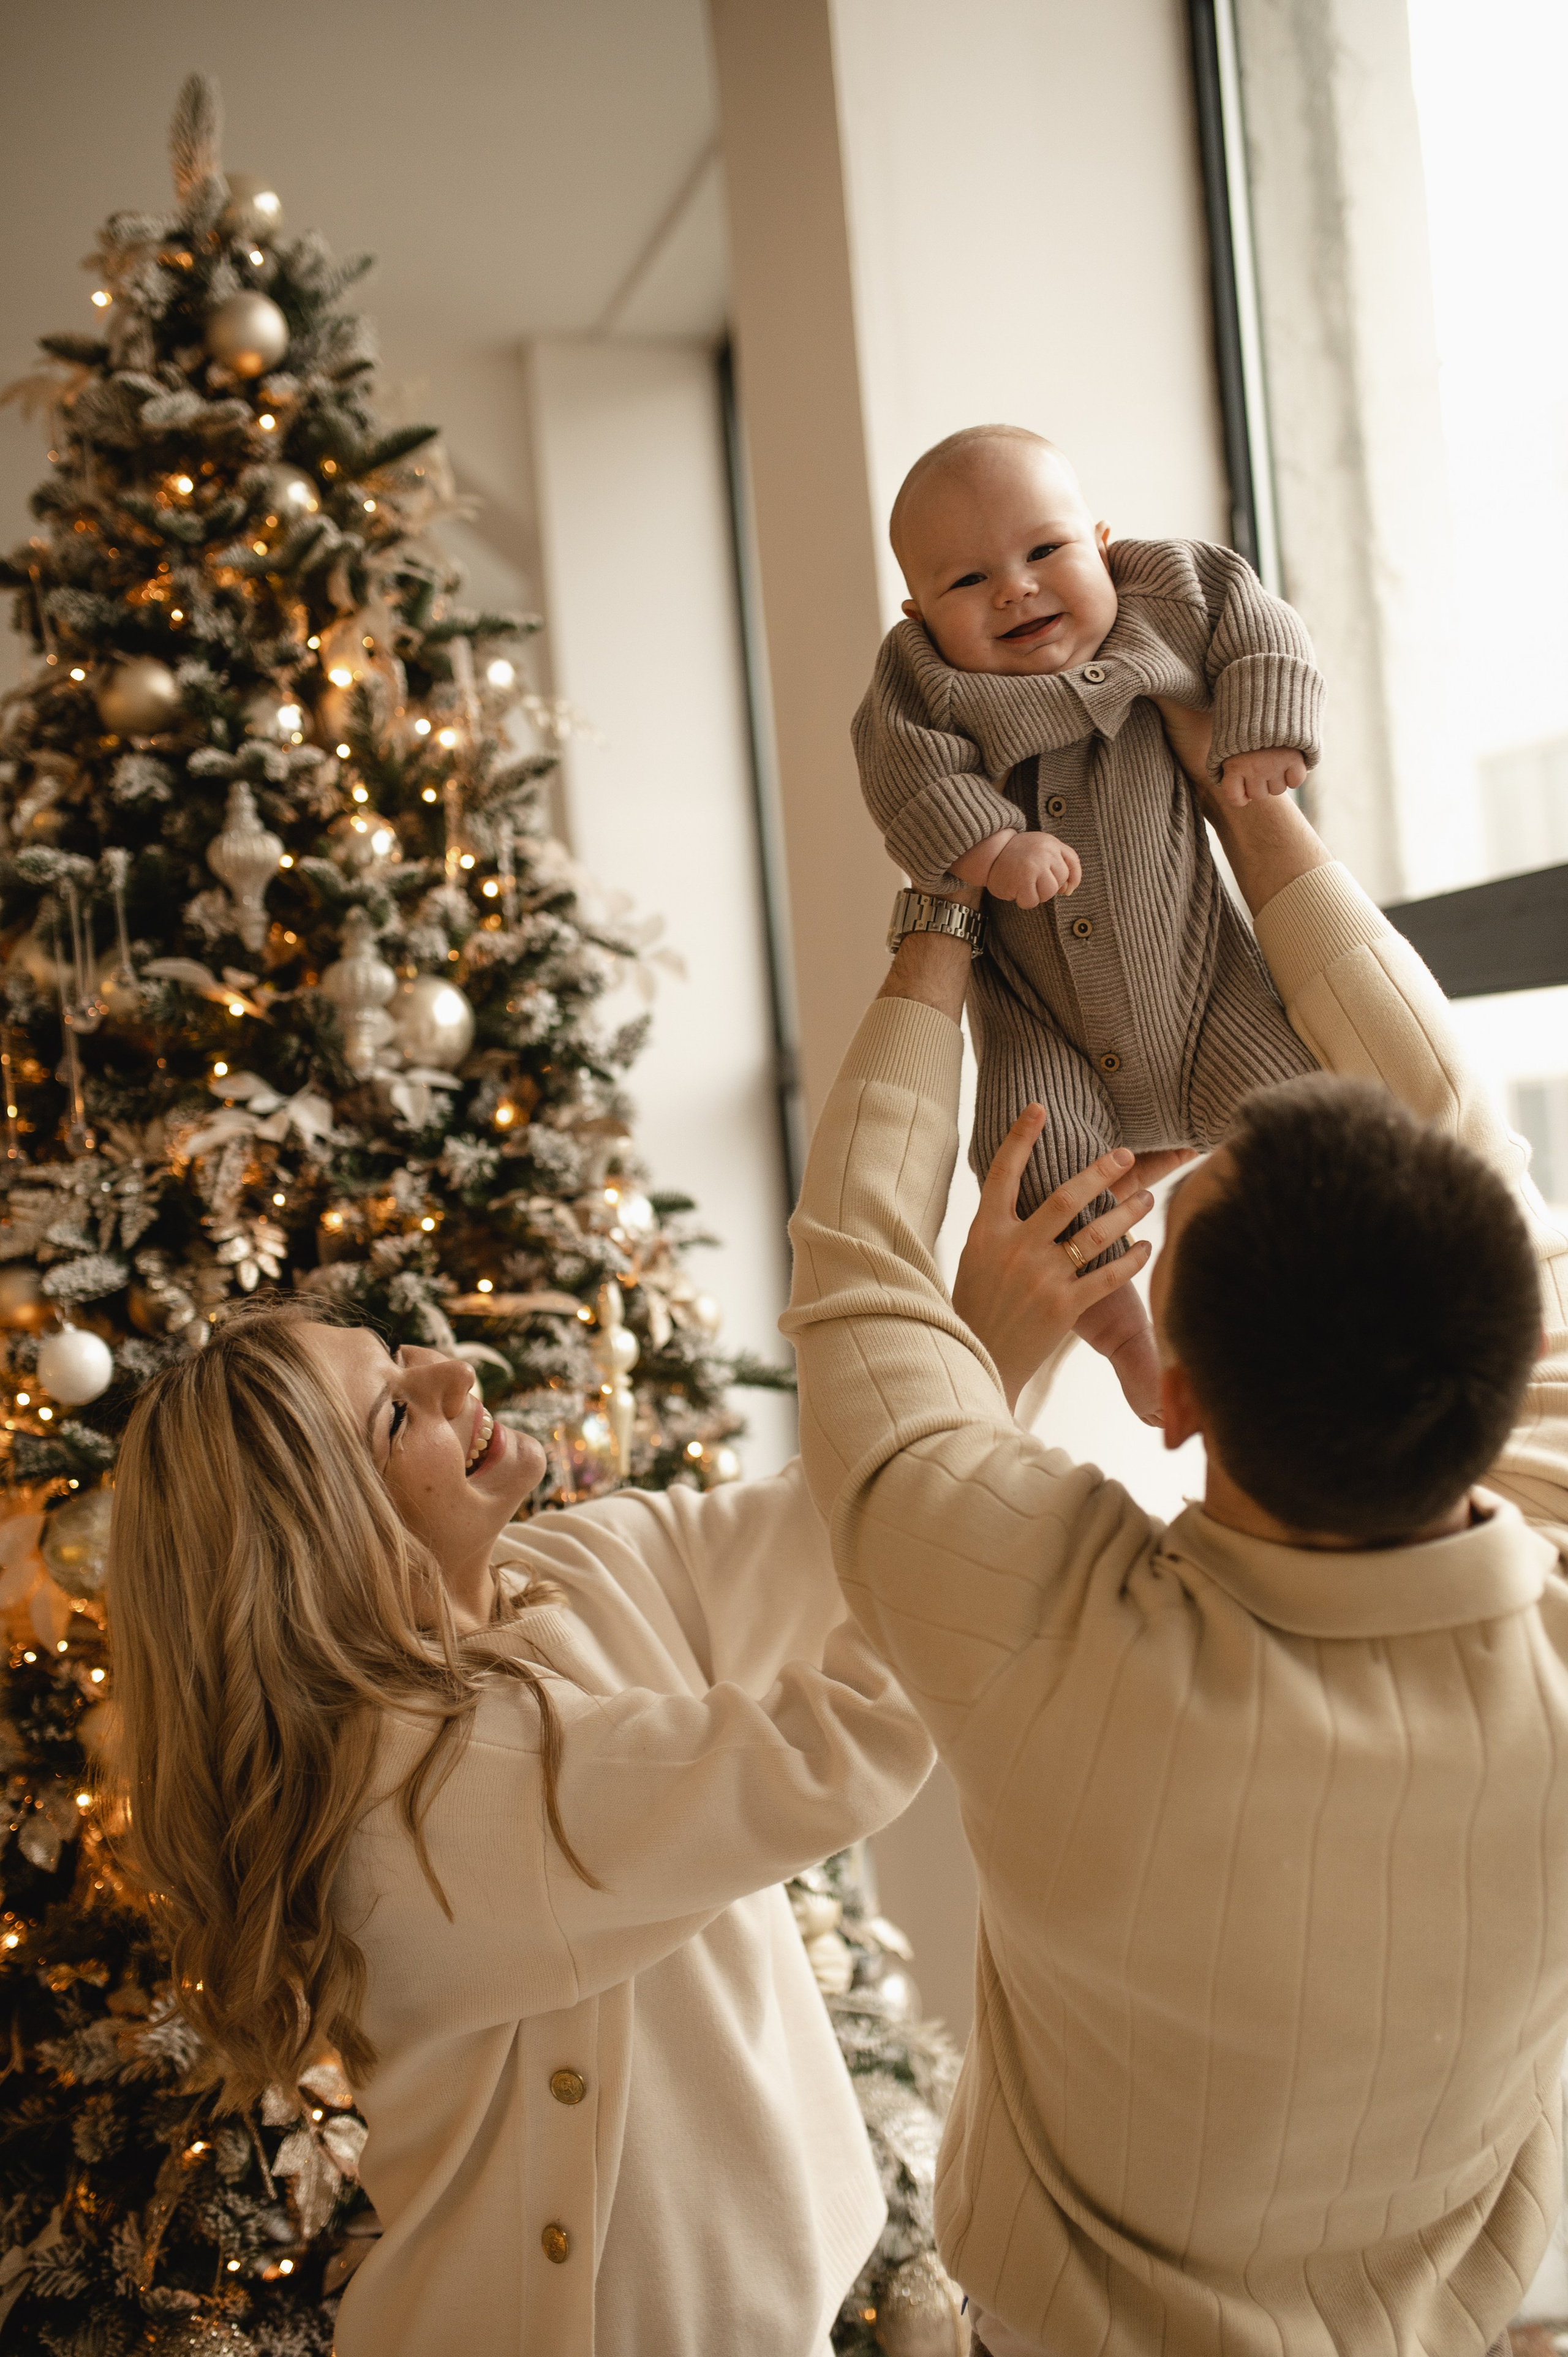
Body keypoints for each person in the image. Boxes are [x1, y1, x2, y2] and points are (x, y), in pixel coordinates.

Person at [783, 736, 1568, 2357]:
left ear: (1179, 1391)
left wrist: (950, 901)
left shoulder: (1039, 1627)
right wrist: (1258, 811)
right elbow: (1457, 1130)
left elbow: (861, 1263)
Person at [107, 1310, 940, 2357]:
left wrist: (991, 1335)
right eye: (397, 1413)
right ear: (335, 1538)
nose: (457, 1372)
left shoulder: (568, 1571)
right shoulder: (418, 1786)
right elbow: (833, 1757)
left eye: (400, 1351)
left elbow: (833, 1524)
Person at [853, 425, 1322, 1420]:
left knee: (1307, 1122)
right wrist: (990, 847)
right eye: (968, 581)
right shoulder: (922, 679)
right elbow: (897, 766)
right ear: (917, 612)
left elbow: (1260, 623)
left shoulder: (1165, 589)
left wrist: (1263, 723)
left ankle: (1299, 1320)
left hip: (1206, 1004)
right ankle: (1127, 1345)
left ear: (1101, 542)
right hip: (1047, 1036)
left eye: (1045, 552)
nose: (1016, 591)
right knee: (1034, 1172)